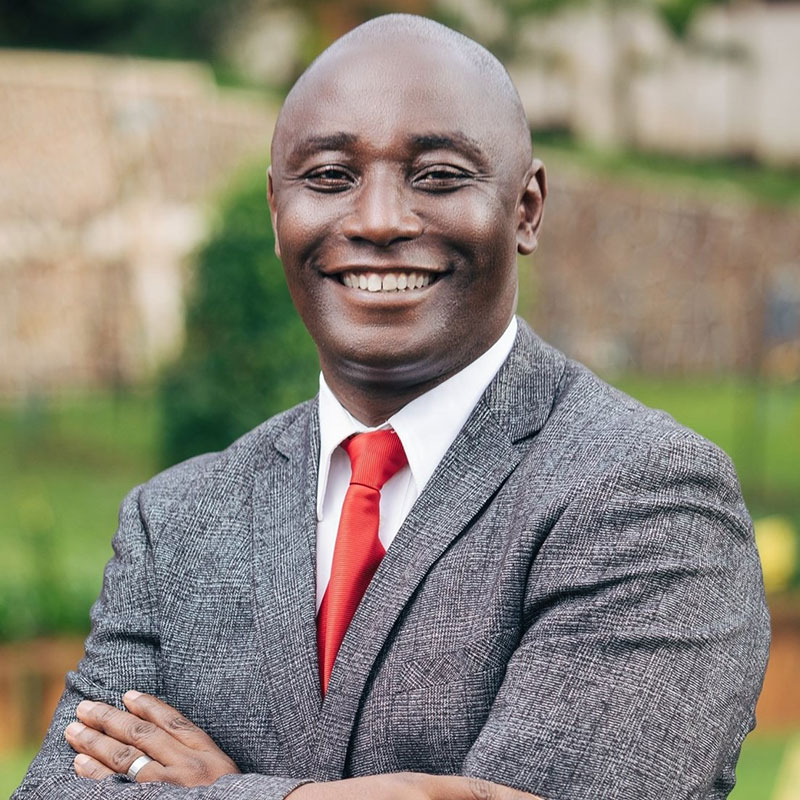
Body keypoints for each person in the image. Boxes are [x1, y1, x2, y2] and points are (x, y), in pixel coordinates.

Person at [13, 13, 769, 800]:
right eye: (329, 177)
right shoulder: (176, 523)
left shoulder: (649, 498)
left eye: (438, 175)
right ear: (276, 211)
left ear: (526, 209)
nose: (377, 220)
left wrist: (219, 791)